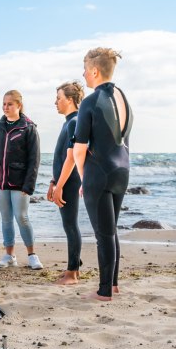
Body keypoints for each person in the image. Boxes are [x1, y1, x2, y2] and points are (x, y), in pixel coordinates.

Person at [63, 47, 132, 301]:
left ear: (94, 70)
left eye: (84, 69)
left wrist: (84, 178)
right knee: (111, 231)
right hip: (122, 170)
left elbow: (79, 148)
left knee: (103, 235)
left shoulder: (91, 101)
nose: (83, 74)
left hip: (99, 173)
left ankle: (104, 292)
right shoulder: (123, 97)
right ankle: (113, 285)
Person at [0, 90, 42, 270]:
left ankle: (32, 255)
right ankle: (9, 255)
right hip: (0, 181)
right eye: (4, 104)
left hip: (20, 183)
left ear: (19, 106)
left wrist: (29, 184)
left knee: (22, 217)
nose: (6, 107)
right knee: (6, 219)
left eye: (10, 104)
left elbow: (34, 160)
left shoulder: (28, 128)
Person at [46, 81, 84, 285]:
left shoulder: (75, 121)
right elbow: (61, 157)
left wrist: (60, 185)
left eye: (59, 98)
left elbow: (71, 159)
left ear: (70, 100)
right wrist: (53, 182)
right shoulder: (68, 121)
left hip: (70, 181)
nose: (55, 102)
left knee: (70, 224)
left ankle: (73, 273)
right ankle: (72, 268)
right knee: (68, 224)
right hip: (63, 180)